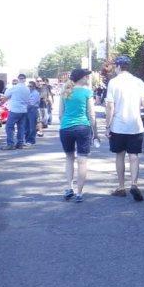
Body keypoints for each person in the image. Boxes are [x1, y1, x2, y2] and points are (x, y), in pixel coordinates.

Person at [105, 55, 144, 201]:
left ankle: (121, 187)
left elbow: (110, 106)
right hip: (135, 125)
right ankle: (134, 184)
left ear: (118, 67)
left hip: (118, 125)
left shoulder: (113, 82)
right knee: (134, 155)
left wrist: (107, 126)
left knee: (120, 155)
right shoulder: (139, 82)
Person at [59, 68, 96, 203]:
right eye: (86, 76)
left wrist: (65, 123)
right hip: (82, 127)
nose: (87, 79)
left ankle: (69, 187)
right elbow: (91, 114)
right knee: (82, 160)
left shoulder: (65, 91)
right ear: (80, 78)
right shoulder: (87, 92)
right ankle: (79, 193)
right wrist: (95, 132)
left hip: (66, 128)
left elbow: (60, 114)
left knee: (69, 158)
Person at [1, 73, 30, 150]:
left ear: (18, 79)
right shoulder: (27, 89)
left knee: (9, 127)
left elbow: (6, 95)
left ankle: (10, 144)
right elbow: (28, 100)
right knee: (21, 127)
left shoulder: (14, 88)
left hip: (14, 110)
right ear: (25, 79)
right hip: (23, 110)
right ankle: (20, 143)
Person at [26, 80, 41, 145]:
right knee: (26, 126)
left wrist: (25, 104)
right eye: (28, 86)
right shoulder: (27, 93)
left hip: (33, 110)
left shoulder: (36, 93)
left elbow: (32, 103)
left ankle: (31, 140)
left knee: (32, 126)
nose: (29, 87)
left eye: (30, 86)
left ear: (34, 87)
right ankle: (27, 140)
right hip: (27, 110)